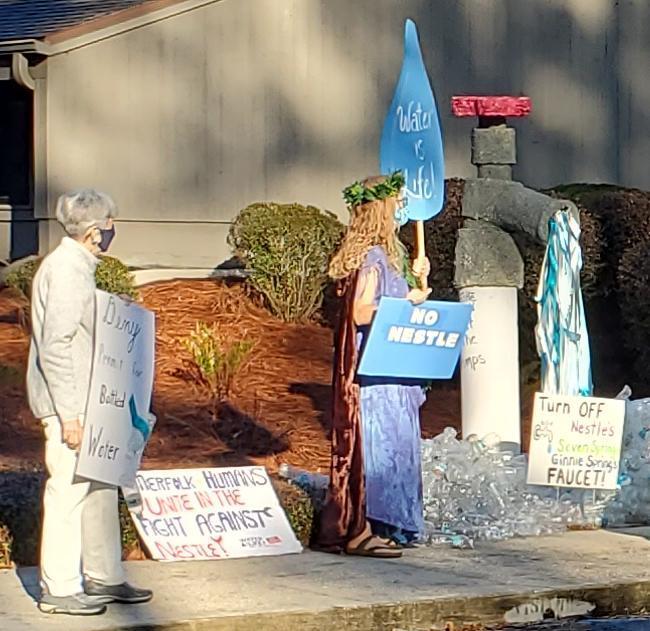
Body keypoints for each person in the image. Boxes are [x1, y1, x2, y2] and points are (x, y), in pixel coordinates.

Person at [27, 190, 153, 615]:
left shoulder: (76, 268)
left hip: (90, 401)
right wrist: (70, 416)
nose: (114, 231)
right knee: (68, 490)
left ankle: (103, 575)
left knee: (99, 487)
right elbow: (57, 346)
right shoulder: (65, 271)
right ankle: (60, 587)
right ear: (96, 233)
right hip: (74, 405)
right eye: (111, 224)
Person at [315, 172, 430, 558]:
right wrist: (406, 303)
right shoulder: (373, 258)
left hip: (393, 366)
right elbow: (363, 311)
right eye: (397, 202)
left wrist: (419, 285)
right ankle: (365, 526)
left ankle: (389, 524)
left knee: (398, 443)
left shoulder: (385, 257)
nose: (402, 208)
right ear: (381, 208)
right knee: (380, 447)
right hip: (377, 370)